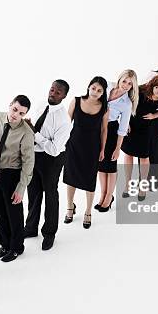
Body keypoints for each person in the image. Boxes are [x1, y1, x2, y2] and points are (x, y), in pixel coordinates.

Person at [23, 80, 72, 251]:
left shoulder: (64, 120)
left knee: (50, 194)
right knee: (33, 191)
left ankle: (49, 233)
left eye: (58, 92)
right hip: (34, 155)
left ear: (64, 96)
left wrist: (34, 133)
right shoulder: (41, 104)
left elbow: (54, 149)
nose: (53, 93)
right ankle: (30, 228)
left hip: (52, 159)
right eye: (52, 89)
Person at [0, 96, 35, 262]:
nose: (16, 115)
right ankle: (5, 245)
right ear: (10, 105)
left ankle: (17, 247)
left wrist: (21, 188)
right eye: (15, 109)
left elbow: (28, 162)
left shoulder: (26, 132)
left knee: (13, 214)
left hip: (12, 174)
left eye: (21, 113)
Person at [63, 76, 109, 229]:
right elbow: (66, 123)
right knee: (71, 177)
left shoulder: (104, 107)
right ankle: (70, 207)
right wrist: (61, 144)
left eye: (99, 90)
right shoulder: (76, 101)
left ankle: (88, 212)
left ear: (103, 93)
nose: (95, 92)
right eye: (94, 88)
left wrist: (102, 149)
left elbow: (104, 130)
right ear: (89, 87)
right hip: (74, 146)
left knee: (90, 180)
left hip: (92, 148)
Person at [121, 75, 158, 200]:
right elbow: (126, 104)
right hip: (131, 126)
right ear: (152, 85)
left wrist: (154, 116)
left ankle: (143, 187)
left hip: (146, 130)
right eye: (157, 87)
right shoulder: (139, 91)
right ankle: (127, 184)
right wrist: (125, 122)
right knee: (128, 155)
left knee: (144, 157)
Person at [95, 70, 138, 213]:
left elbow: (123, 127)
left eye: (130, 83)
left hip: (112, 131)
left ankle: (108, 196)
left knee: (110, 165)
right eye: (124, 81)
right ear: (119, 79)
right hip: (96, 128)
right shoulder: (107, 87)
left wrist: (118, 148)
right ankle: (102, 194)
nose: (126, 85)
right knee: (101, 165)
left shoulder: (126, 103)